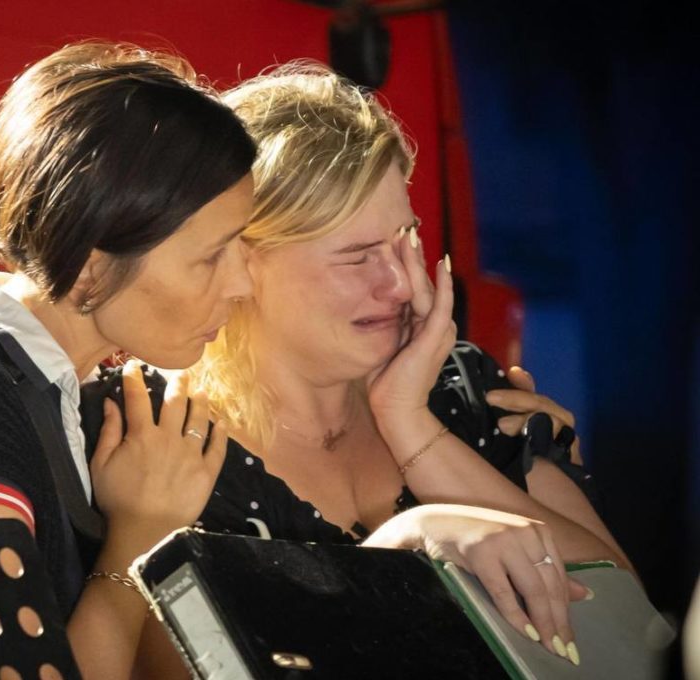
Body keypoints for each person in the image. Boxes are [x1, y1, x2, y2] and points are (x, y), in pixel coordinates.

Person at [188, 62, 634, 667]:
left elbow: (622, 609)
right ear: (243, 261)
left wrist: (411, 423)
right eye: (358, 258)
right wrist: (403, 543)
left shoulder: (461, 389)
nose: (399, 284)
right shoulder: (163, 440)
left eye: (406, 239)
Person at [0, 41, 257, 679]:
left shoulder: (67, 392)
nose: (242, 284)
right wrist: (138, 537)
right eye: (211, 256)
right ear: (91, 267)